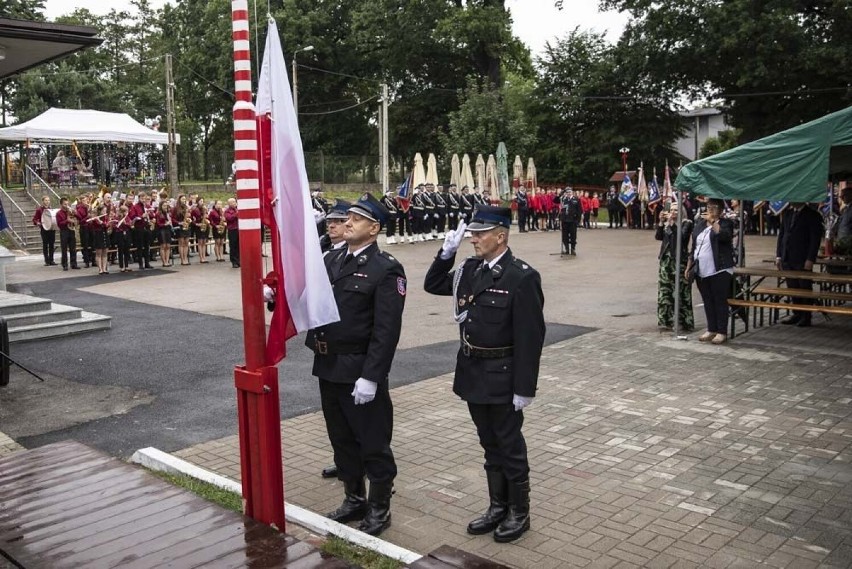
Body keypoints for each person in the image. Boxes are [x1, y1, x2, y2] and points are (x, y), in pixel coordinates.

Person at [424, 204, 545, 543]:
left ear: (501, 236)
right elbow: (433, 284)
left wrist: (525, 387)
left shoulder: (521, 277)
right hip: (474, 372)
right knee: (488, 443)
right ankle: (497, 506)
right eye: (473, 232)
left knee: (509, 445)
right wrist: (445, 254)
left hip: (503, 376)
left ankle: (519, 512)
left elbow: (530, 337)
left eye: (480, 233)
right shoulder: (470, 270)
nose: (473, 238)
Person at [305, 193, 405, 537]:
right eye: (347, 218)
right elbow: (314, 301)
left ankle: (379, 507)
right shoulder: (333, 261)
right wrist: (280, 299)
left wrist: (372, 377)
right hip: (329, 363)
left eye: (356, 220)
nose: (346, 222)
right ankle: (353, 497)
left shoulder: (385, 268)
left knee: (372, 441)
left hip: (360, 369)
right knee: (341, 438)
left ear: (374, 229)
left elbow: (386, 330)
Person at [685, 198, 734, 344]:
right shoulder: (700, 224)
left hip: (719, 269)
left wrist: (713, 222)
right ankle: (711, 328)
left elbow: (724, 236)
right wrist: (689, 266)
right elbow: (694, 246)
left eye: (714, 207)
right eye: (708, 206)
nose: (711, 209)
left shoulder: (726, 223)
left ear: (721, 210)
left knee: (719, 300)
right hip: (701, 269)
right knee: (707, 300)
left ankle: (722, 331)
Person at [775, 202, 823, 327]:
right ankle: (796, 313)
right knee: (792, 288)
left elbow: (815, 239)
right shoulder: (787, 213)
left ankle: (806, 316)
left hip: (802, 258)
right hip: (787, 257)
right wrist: (779, 255)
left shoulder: (812, 215)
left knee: (804, 288)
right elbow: (782, 235)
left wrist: (810, 259)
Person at [655, 203, 694, 331]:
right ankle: (666, 320)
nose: (673, 212)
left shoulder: (686, 223)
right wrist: (661, 222)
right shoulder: (668, 223)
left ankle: (683, 320)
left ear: (681, 211)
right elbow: (659, 237)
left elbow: (681, 239)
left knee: (680, 290)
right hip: (666, 260)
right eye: (671, 210)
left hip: (679, 260)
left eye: (676, 210)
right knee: (666, 290)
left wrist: (672, 224)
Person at [54, 197, 80, 271]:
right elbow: (59, 224)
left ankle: (74, 264)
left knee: (73, 248)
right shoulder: (59, 213)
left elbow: (78, 218)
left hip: (71, 230)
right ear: (61, 204)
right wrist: (67, 221)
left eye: (67, 204)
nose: (67, 205)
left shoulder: (70, 211)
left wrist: (75, 213)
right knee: (64, 249)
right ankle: (65, 264)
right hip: (64, 231)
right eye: (65, 204)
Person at [33, 196, 56, 266]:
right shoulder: (39, 210)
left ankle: (51, 260)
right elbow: (34, 219)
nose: (47, 202)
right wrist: (38, 223)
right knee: (45, 245)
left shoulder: (51, 209)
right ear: (43, 201)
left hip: (51, 229)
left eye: (48, 200)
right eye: (46, 200)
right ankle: (47, 260)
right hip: (44, 229)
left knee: (52, 244)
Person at [559, 188, 581, 255]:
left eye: (570, 192)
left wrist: (578, 221)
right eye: (567, 192)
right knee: (564, 236)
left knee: (573, 236)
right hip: (565, 221)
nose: (568, 193)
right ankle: (567, 249)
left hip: (573, 221)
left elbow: (579, 211)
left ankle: (573, 249)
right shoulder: (563, 200)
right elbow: (562, 210)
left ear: (572, 192)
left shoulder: (576, 200)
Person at [225, 198, 240, 268]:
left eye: (235, 202)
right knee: (233, 246)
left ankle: (238, 260)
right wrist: (236, 214)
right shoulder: (227, 211)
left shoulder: (237, 210)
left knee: (238, 246)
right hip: (232, 230)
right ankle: (234, 261)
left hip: (238, 229)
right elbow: (229, 218)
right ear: (229, 204)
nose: (235, 203)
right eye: (233, 202)